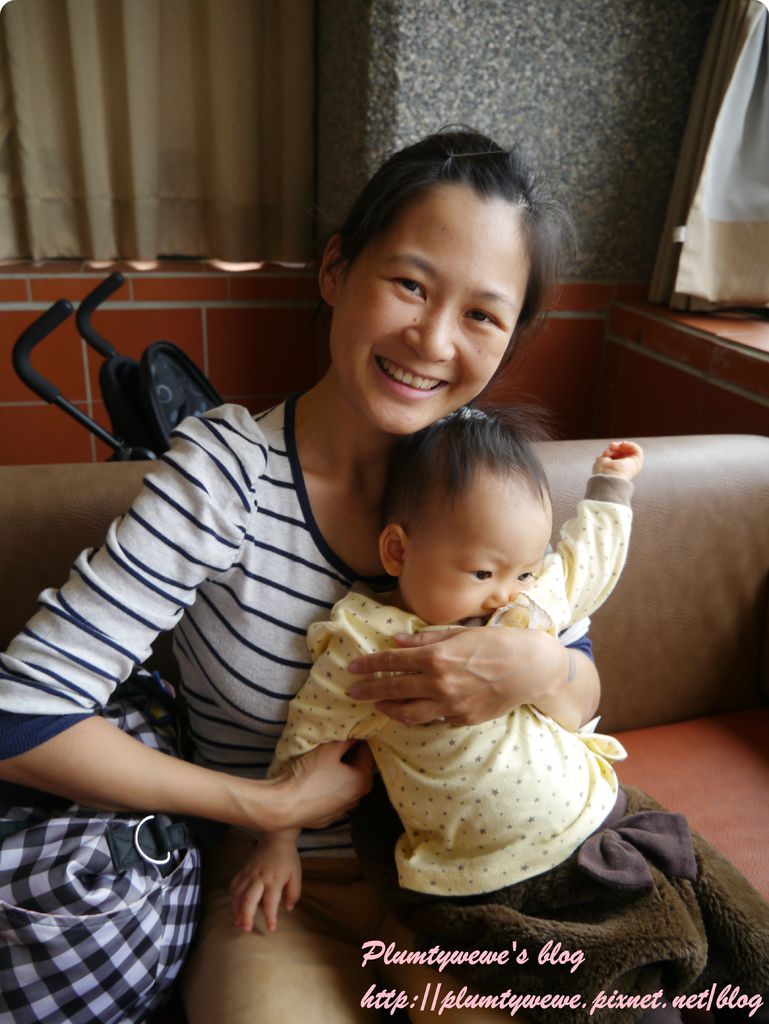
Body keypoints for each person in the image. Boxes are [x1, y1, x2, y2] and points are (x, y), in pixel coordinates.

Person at [0, 129, 604, 1024]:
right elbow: (22, 717)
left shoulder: (489, 479)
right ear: (335, 271)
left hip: (486, 888)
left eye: (482, 315)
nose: (433, 339)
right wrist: (268, 803)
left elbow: (581, 693)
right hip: (282, 895)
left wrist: (542, 667)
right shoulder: (226, 479)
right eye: (410, 284)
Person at [230, 408, 640, 936]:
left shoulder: (525, 607)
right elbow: (307, 734)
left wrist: (610, 487)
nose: (504, 594)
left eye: (524, 571)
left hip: (599, 812)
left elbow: (585, 565)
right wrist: (278, 840)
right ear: (398, 551)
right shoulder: (371, 645)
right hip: (477, 878)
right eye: (482, 572)